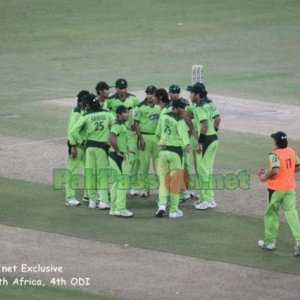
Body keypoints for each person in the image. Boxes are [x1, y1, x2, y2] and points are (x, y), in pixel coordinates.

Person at [257, 131, 300, 256]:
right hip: (290, 188)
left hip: (275, 190)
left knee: (271, 214)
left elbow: (275, 170)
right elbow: (298, 166)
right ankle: (299, 241)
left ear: (276, 142)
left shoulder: (273, 154)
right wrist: (287, 173)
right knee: (292, 213)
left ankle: (269, 242)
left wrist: (264, 176)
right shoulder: (292, 151)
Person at [71, 93, 115, 210]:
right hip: (102, 148)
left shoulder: (86, 116)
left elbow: (73, 131)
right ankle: (104, 201)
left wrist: (82, 142)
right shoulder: (107, 113)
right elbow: (115, 126)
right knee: (103, 175)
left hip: (89, 148)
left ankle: (92, 201)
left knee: (90, 174)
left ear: (89, 105)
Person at [155, 99, 191, 218]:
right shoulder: (180, 121)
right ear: (175, 108)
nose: (184, 110)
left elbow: (157, 133)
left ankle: (161, 205)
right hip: (175, 153)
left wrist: (161, 143)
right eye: (182, 108)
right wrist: (187, 145)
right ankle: (174, 210)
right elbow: (184, 135)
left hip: (162, 152)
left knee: (162, 181)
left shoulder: (163, 116)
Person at [187, 83, 220, 210]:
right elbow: (217, 119)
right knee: (207, 170)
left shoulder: (200, 108)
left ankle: (209, 200)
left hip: (205, 141)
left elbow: (204, 125)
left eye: (192, 93)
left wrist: (200, 142)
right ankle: (205, 197)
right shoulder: (210, 103)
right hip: (213, 139)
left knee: (203, 171)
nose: (190, 95)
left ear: (197, 95)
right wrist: (214, 132)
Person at [106, 78, 141, 196]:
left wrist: (135, 123)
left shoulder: (133, 98)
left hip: (130, 133)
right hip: (117, 132)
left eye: (124, 88)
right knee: (119, 158)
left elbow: (139, 110)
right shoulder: (110, 101)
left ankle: (131, 183)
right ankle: (117, 184)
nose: (123, 90)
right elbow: (105, 113)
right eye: (120, 88)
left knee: (135, 158)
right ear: (116, 89)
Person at [134, 85, 161, 197]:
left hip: (156, 138)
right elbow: (136, 123)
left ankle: (161, 189)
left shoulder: (159, 107)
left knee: (158, 165)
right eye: (148, 93)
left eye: (152, 94)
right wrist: (140, 139)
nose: (150, 96)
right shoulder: (140, 107)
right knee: (144, 165)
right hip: (144, 137)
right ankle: (145, 188)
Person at [65, 90, 89, 206]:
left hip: (85, 146)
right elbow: (71, 131)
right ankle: (70, 197)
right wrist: (73, 146)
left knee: (87, 170)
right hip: (76, 146)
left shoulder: (85, 111)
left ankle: (87, 195)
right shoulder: (76, 112)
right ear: (80, 101)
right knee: (72, 172)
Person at [108, 105, 133, 218]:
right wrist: (118, 151)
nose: (127, 114)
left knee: (116, 183)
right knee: (123, 182)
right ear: (119, 114)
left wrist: (128, 150)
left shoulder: (121, 125)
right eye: (125, 113)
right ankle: (121, 209)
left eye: (127, 112)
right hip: (118, 157)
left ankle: (113, 208)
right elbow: (111, 136)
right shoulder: (118, 125)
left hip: (115, 156)